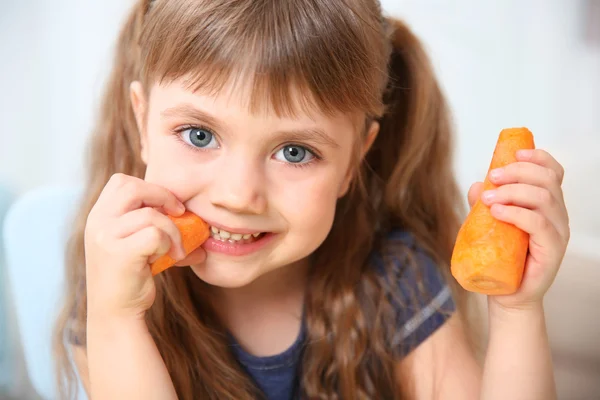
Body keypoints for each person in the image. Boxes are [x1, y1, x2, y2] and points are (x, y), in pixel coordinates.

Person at [53, 0, 570, 399]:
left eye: (295, 151)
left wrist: (517, 310)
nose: (238, 195)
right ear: (142, 121)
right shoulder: (116, 288)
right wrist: (116, 316)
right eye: (199, 135)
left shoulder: (395, 282)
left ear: (352, 161)